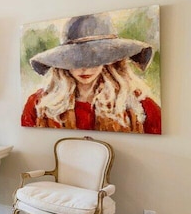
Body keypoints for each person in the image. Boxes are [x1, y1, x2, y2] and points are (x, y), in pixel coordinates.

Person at [21, 13, 161, 134]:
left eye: (95, 60)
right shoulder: (38, 104)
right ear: (64, 64)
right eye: (77, 61)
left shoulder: (138, 104)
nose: (85, 69)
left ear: (109, 60)